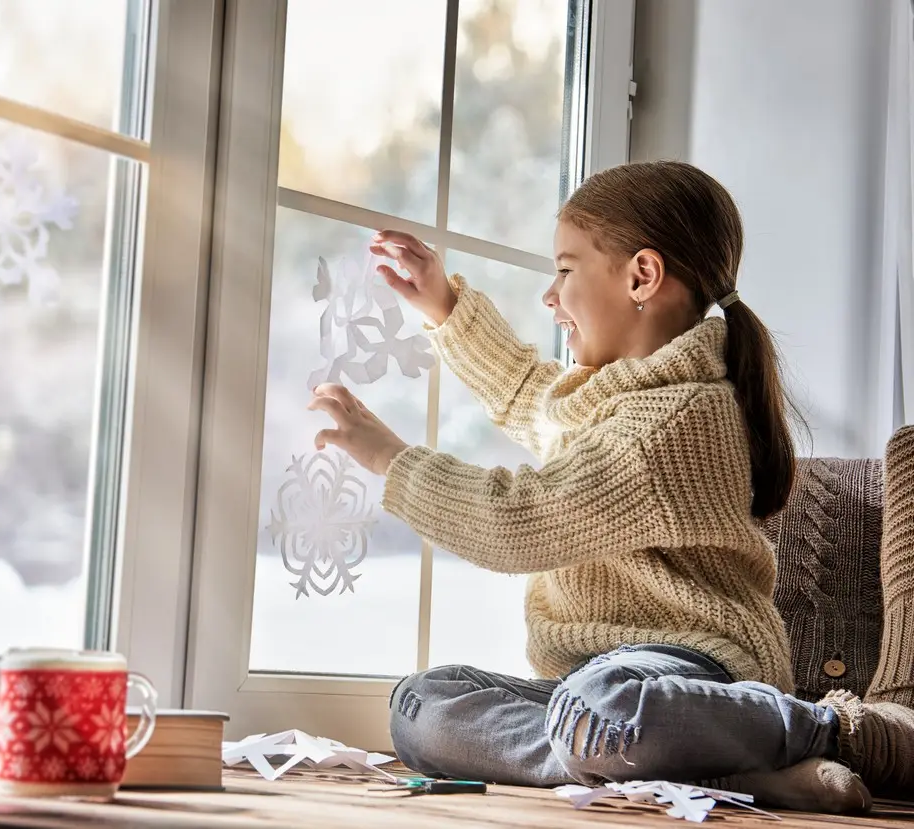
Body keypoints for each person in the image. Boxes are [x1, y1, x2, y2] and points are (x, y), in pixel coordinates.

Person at [307, 161, 914, 813]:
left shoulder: (677, 422)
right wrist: (443, 307)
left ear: (641, 277)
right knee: (421, 705)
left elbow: (521, 521)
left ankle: (828, 732)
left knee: (602, 710)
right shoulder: (606, 399)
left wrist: (393, 460)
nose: (550, 296)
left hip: (692, 674)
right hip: (587, 689)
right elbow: (525, 393)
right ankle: (718, 774)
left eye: (565, 270)